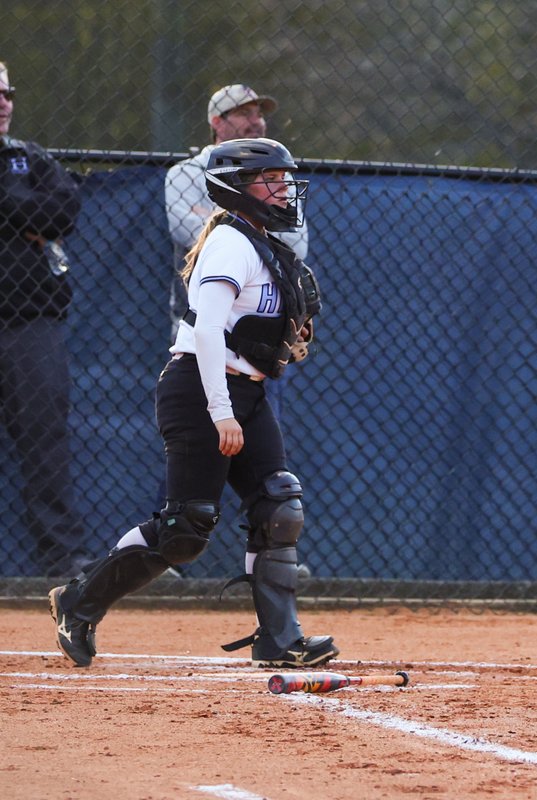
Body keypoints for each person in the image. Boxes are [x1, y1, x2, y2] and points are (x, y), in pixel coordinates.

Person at [50, 137, 336, 669]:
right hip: (200, 389)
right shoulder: (229, 242)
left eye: (283, 178)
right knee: (186, 529)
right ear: (236, 189)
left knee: (278, 506)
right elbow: (206, 332)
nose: (283, 189)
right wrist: (221, 410)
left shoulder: (264, 245)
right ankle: (78, 601)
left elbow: (246, 330)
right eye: (269, 179)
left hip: (246, 389)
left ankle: (279, 638)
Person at [164, 84, 308, 423]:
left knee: (264, 450)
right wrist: (254, 220)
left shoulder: (279, 178)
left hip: (264, 338)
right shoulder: (184, 174)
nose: (256, 122)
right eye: (244, 113)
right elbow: (183, 229)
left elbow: (297, 245)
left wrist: (221, 215)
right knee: (198, 442)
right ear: (217, 121)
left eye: (259, 114)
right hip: (204, 333)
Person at [0, 60, 90, 577]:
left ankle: (62, 555)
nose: (4, 102)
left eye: (8, 93)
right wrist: (23, 215)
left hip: (32, 324)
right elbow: (38, 215)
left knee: (44, 439)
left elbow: (63, 211)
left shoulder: (30, 159)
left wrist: (10, 200)